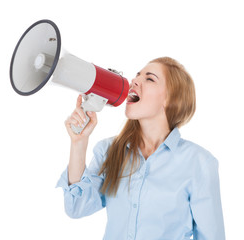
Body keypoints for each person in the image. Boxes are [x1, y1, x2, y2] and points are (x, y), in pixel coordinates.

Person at [56, 57, 226, 240]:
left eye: (150, 78)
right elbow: (76, 207)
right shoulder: (108, 150)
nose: (134, 81)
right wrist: (79, 142)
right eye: (137, 75)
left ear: (170, 100)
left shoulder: (199, 163)